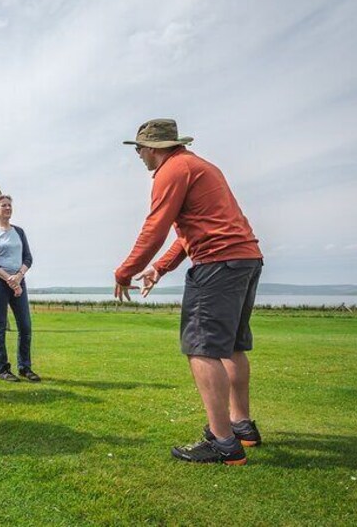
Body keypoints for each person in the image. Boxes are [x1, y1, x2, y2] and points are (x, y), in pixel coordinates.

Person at [115, 118, 263, 465]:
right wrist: (159, 268)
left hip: (217, 265)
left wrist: (126, 272)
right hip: (245, 259)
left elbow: (155, 227)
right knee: (232, 346)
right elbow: (187, 234)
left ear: (153, 147)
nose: (138, 155)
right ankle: (241, 425)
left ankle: (224, 443)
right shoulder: (199, 166)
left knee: (201, 347)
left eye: (139, 148)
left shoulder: (172, 170)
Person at [0, 195, 41, 382]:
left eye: (9, 205)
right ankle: (3, 369)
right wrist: (10, 279)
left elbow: (28, 258)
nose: (7, 208)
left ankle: (25, 367)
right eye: (3, 205)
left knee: (25, 326)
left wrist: (19, 277)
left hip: (18, 280)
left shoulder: (19, 232)